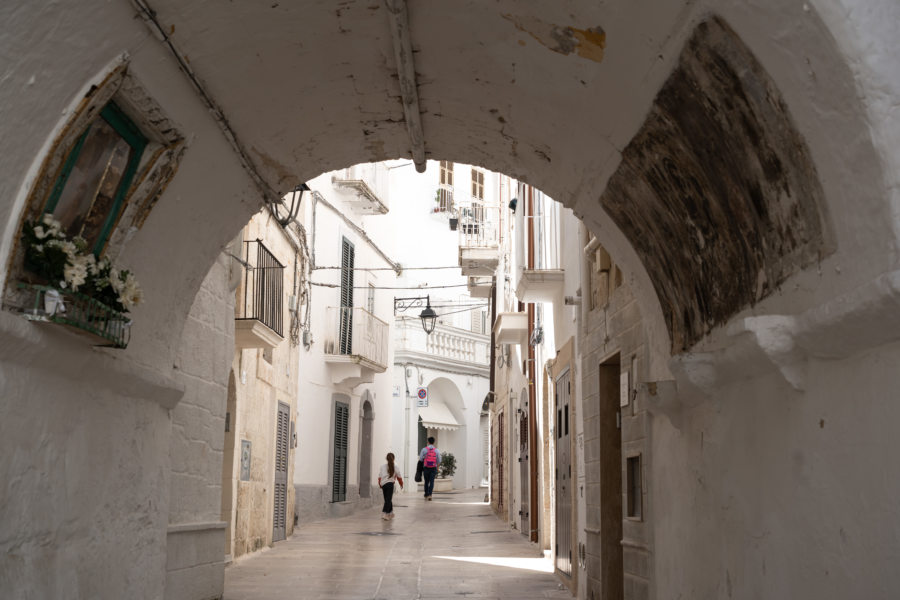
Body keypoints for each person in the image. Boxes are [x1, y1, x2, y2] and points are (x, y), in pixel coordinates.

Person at [377, 452, 403, 520]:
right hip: (390, 484)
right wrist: (401, 484)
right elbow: (399, 476)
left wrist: (380, 484)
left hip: (383, 484)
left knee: (387, 499)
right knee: (388, 500)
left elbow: (380, 476)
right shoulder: (395, 466)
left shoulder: (382, 466)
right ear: (393, 459)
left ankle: (391, 513)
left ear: (386, 458)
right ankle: (384, 513)